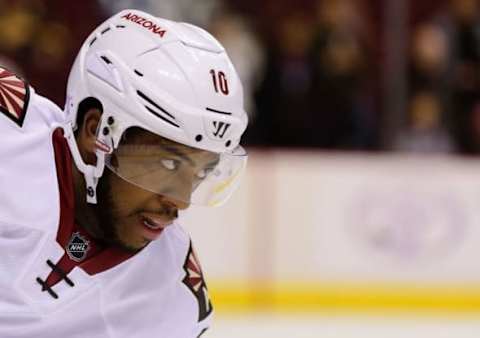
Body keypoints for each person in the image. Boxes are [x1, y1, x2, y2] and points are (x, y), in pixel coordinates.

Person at [0, 9, 248, 338]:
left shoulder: (172, 297)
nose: (181, 201)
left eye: (201, 171)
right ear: (96, 132)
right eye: (169, 164)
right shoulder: (9, 133)